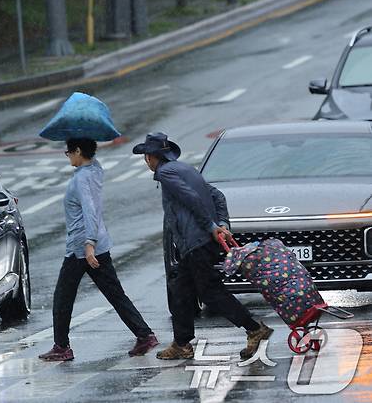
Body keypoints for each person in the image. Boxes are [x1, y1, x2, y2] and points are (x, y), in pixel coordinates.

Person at [133, 132, 273, 360]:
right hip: (196, 243)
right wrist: (221, 224)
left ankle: (254, 329)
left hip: (195, 242)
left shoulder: (166, 174)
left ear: (150, 157)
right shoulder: (185, 169)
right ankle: (181, 343)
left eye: (146, 156)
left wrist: (211, 226)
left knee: (210, 292)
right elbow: (216, 196)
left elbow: (191, 199)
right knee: (180, 290)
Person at [38, 138, 159, 362]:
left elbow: (89, 210)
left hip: (82, 248)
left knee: (62, 297)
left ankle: (62, 347)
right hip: (97, 245)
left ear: (77, 151)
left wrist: (89, 243)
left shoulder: (82, 178)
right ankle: (145, 335)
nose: (67, 157)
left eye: (68, 152)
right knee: (115, 294)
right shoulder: (95, 170)